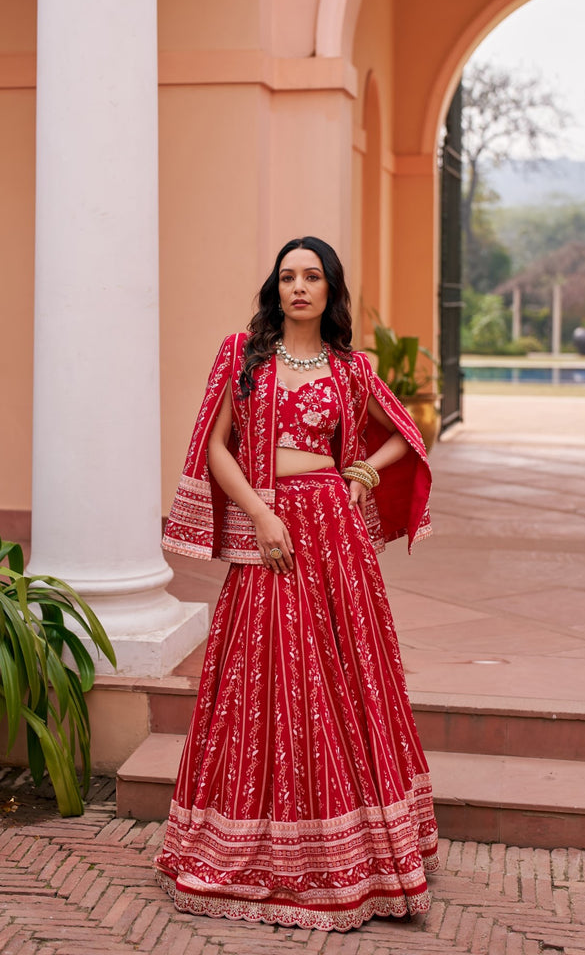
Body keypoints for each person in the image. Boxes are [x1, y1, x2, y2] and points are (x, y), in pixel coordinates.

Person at [154, 237, 438, 932]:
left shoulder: (349, 367)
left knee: (341, 676)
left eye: (312, 277)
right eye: (288, 276)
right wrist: (259, 513)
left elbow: (406, 435)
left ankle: (356, 853)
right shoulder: (242, 355)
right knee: (265, 675)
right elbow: (215, 444)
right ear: (274, 288)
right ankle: (251, 846)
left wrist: (361, 475)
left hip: (333, 534)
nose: (299, 287)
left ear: (329, 288)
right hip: (270, 533)